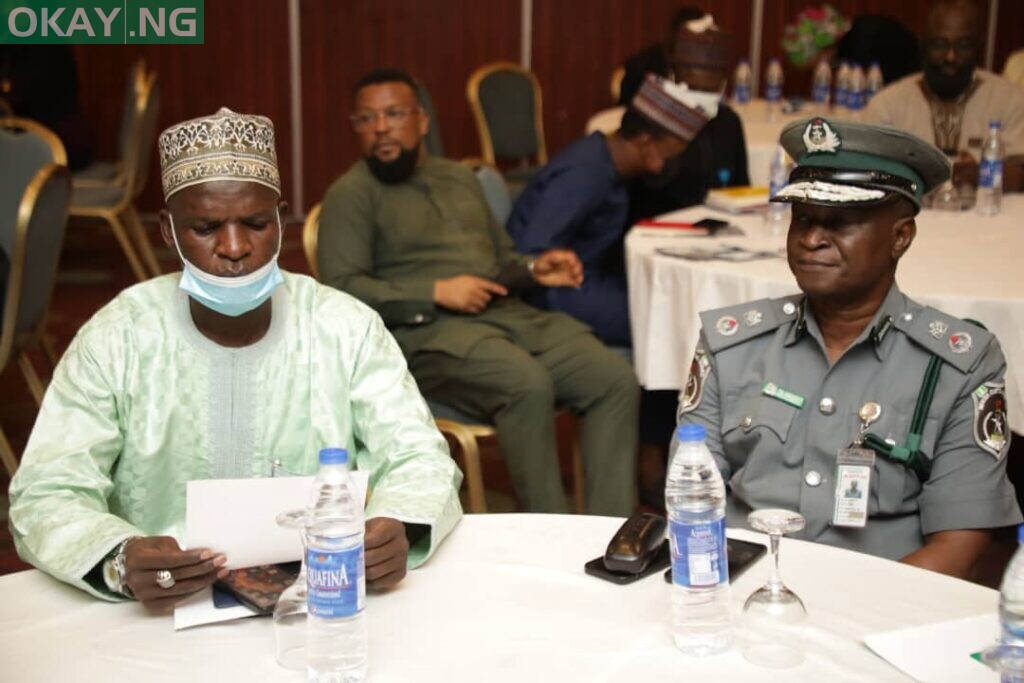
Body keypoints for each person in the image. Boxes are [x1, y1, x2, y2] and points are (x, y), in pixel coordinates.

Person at [8, 108, 463, 609]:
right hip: (163, 612)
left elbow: (419, 457)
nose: (234, 248)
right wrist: (119, 559)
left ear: (281, 219)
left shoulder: (343, 327)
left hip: (322, 598)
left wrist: (398, 523)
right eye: (205, 227)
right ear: (168, 230)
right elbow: (47, 491)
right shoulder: (120, 338)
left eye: (256, 223)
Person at [677, 116, 1021, 578]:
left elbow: (960, 541)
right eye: (803, 219)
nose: (811, 239)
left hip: (883, 609)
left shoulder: (960, 364)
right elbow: (692, 498)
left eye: (840, 223)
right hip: (741, 591)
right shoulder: (731, 344)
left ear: (901, 237)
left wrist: (846, 620)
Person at [318, 69, 639, 516]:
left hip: (505, 317)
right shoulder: (351, 196)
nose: (381, 128)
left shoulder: (461, 178)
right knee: (525, 383)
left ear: (422, 121)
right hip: (426, 334)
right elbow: (341, 291)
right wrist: (435, 292)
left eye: (393, 114)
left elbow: (501, 259)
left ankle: (613, 533)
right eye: (366, 120)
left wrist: (534, 268)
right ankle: (549, 543)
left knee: (612, 378)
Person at [507, 74, 710, 347]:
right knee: (669, 320)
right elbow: (531, 252)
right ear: (645, 142)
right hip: (553, 293)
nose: (665, 167)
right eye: (668, 156)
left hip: (591, 280)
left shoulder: (607, 161)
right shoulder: (584, 173)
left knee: (671, 300)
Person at [865, 0, 1024, 191]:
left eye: (963, 45)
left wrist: (981, 174)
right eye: (940, 45)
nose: (951, 57)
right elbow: (866, 171)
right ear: (923, 45)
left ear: (979, 47)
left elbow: (1021, 172)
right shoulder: (888, 104)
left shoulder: (1010, 100)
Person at [620, 10, 749, 219]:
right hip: (659, 231)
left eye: (714, 69)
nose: (704, 77)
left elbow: (741, 191)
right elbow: (638, 196)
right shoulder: (655, 119)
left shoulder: (729, 123)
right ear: (674, 67)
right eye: (692, 67)